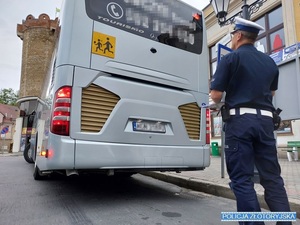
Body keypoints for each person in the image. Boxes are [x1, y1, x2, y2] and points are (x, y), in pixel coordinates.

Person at [210, 17, 291, 225]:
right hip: (265, 123)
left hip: (240, 123)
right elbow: (271, 92)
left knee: (242, 179)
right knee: (272, 178)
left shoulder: (230, 59)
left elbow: (216, 95)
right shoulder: (270, 62)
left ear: (238, 36)